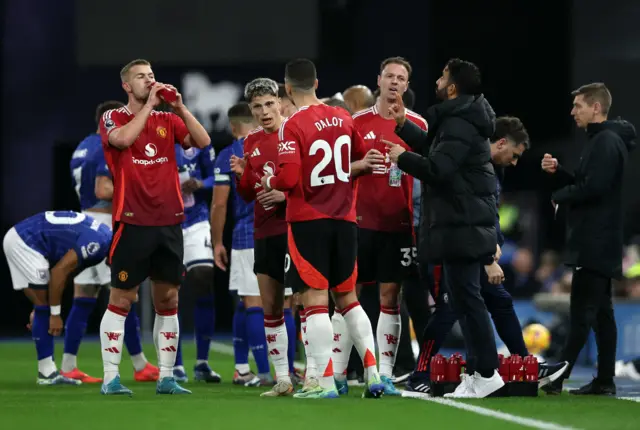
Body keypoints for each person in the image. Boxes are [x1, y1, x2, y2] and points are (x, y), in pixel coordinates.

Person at [402, 116, 568, 395]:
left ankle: (526, 363)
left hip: (473, 247)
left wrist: (495, 242)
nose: (515, 163)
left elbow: (488, 213)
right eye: (514, 155)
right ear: (501, 142)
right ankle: (420, 372)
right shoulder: (465, 161)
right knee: (447, 308)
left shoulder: (493, 170)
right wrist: (489, 254)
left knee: (499, 300)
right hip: (447, 247)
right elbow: (462, 208)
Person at [261, 58, 386, 399]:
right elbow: (359, 156)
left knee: (315, 302)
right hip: (345, 220)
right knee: (349, 299)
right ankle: (375, 376)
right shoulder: (344, 116)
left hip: (308, 221)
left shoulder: (292, 125)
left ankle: (325, 383)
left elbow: (286, 179)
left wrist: (270, 177)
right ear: (317, 82)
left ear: (287, 88)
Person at [385, 58, 504, 398]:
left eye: (442, 76)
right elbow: (438, 152)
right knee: (464, 300)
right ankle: (480, 373)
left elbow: (439, 169)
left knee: (469, 300)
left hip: (462, 223)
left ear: (452, 87)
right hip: (457, 223)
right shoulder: (459, 118)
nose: (436, 80)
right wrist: (404, 126)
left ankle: (486, 373)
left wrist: (401, 158)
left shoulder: (460, 122)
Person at [98, 58, 211, 396]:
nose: (149, 80)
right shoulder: (113, 116)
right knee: (122, 298)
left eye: (151, 75)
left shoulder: (167, 118)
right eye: (140, 77)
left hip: (170, 223)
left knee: (169, 298)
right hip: (132, 221)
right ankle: (110, 378)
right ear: (126, 86)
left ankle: (165, 376)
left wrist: (179, 106)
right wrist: (148, 105)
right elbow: (122, 140)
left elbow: (202, 141)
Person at [331, 57, 428, 397]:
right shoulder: (354, 122)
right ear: (379, 80)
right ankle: (339, 373)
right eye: (390, 76)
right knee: (349, 296)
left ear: (406, 85)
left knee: (391, 296)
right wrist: (359, 165)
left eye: (401, 78)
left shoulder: (418, 125)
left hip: (398, 224)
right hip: (358, 223)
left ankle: (385, 374)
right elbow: (336, 168)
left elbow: (428, 171)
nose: (395, 82)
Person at [541, 83, 636, 395]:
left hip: (594, 241)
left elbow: (594, 189)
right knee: (602, 313)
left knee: (582, 310)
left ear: (596, 108)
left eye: (578, 106)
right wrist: (562, 174)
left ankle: (558, 375)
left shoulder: (605, 141)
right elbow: (591, 184)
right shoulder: (604, 140)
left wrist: (560, 195)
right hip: (600, 239)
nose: (573, 112)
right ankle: (605, 380)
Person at [66, 101, 159, 384]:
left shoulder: (82, 146)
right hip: (103, 225)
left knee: (88, 297)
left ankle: (71, 365)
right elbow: (102, 188)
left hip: (85, 223)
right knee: (124, 294)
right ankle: (138, 364)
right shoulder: (105, 144)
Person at [230, 77, 300, 396]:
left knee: (304, 302)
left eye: (269, 104)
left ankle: (316, 374)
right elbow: (247, 194)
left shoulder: (296, 131)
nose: (264, 112)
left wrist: (286, 198)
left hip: (297, 227)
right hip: (264, 230)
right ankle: (282, 379)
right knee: (270, 305)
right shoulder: (251, 141)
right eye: (257, 107)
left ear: (281, 101)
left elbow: (315, 181)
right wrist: (243, 176)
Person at [3, 211, 112, 386]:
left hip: (24, 238)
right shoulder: (98, 243)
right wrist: (55, 315)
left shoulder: (105, 235)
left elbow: (65, 272)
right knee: (44, 308)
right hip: (25, 243)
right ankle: (46, 373)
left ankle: (48, 371)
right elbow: (58, 273)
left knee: (41, 307)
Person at [212, 103, 272, 386]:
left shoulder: (228, 154)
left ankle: (262, 372)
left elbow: (219, 203)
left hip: (246, 236)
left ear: (233, 127)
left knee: (251, 302)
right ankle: (243, 367)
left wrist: (216, 243)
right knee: (271, 302)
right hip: (279, 232)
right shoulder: (274, 144)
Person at [171, 140, 221, 383]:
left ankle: (202, 361)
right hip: (167, 222)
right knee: (170, 290)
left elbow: (216, 177)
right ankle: (174, 363)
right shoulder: (157, 144)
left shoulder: (200, 144)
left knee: (203, 275)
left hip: (196, 220)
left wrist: (200, 183)